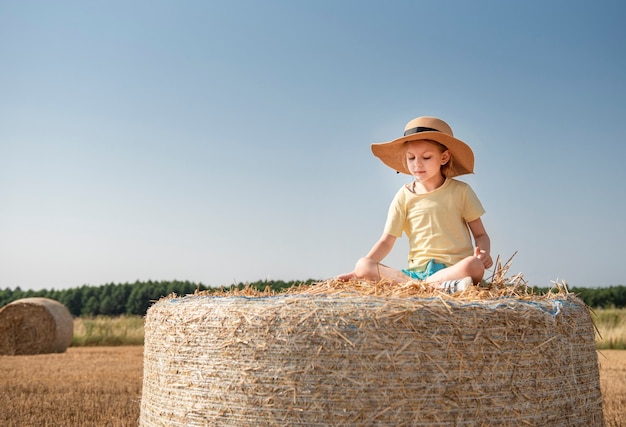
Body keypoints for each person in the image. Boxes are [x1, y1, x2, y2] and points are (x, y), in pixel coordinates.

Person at [338, 116, 493, 292]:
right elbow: (387, 241)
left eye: (426, 157)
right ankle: (433, 288)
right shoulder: (403, 196)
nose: (417, 164)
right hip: (414, 274)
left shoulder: (461, 191)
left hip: (453, 269)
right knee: (363, 264)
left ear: (444, 157)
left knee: (474, 266)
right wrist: (359, 271)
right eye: (411, 158)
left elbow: (480, 235)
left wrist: (484, 253)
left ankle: (425, 287)